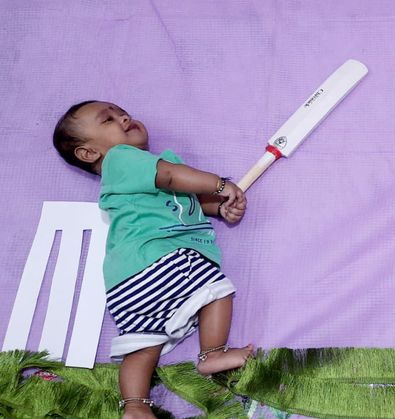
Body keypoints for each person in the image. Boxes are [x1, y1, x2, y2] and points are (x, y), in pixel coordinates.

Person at [53, 100, 253, 418]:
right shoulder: (122, 159)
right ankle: (213, 353)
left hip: (125, 282)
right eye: (109, 119)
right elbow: (172, 178)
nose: (124, 117)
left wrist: (218, 205)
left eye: (123, 112)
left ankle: (134, 405)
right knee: (215, 289)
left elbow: (187, 203)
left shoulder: (137, 176)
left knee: (142, 346)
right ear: (90, 153)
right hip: (160, 256)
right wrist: (219, 183)